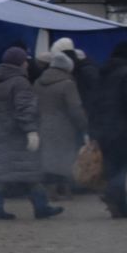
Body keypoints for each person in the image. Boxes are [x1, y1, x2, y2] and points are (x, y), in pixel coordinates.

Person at [0, 46, 61, 220]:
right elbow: (25, 108)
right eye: (25, 60)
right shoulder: (20, 82)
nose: (27, 63)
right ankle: (41, 207)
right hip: (16, 135)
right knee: (30, 174)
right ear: (20, 63)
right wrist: (31, 131)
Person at [88, 40, 127, 219]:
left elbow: (93, 103)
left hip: (103, 129)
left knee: (113, 167)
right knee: (123, 167)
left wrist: (93, 131)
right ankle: (112, 196)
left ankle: (121, 207)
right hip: (124, 129)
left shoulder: (103, 72)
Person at [34, 51, 88, 206]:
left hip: (43, 125)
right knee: (64, 158)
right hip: (64, 126)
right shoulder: (68, 84)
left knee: (48, 158)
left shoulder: (38, 82)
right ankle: (65, 190)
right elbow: (75, 108)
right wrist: (83, 125)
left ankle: (50, 190)